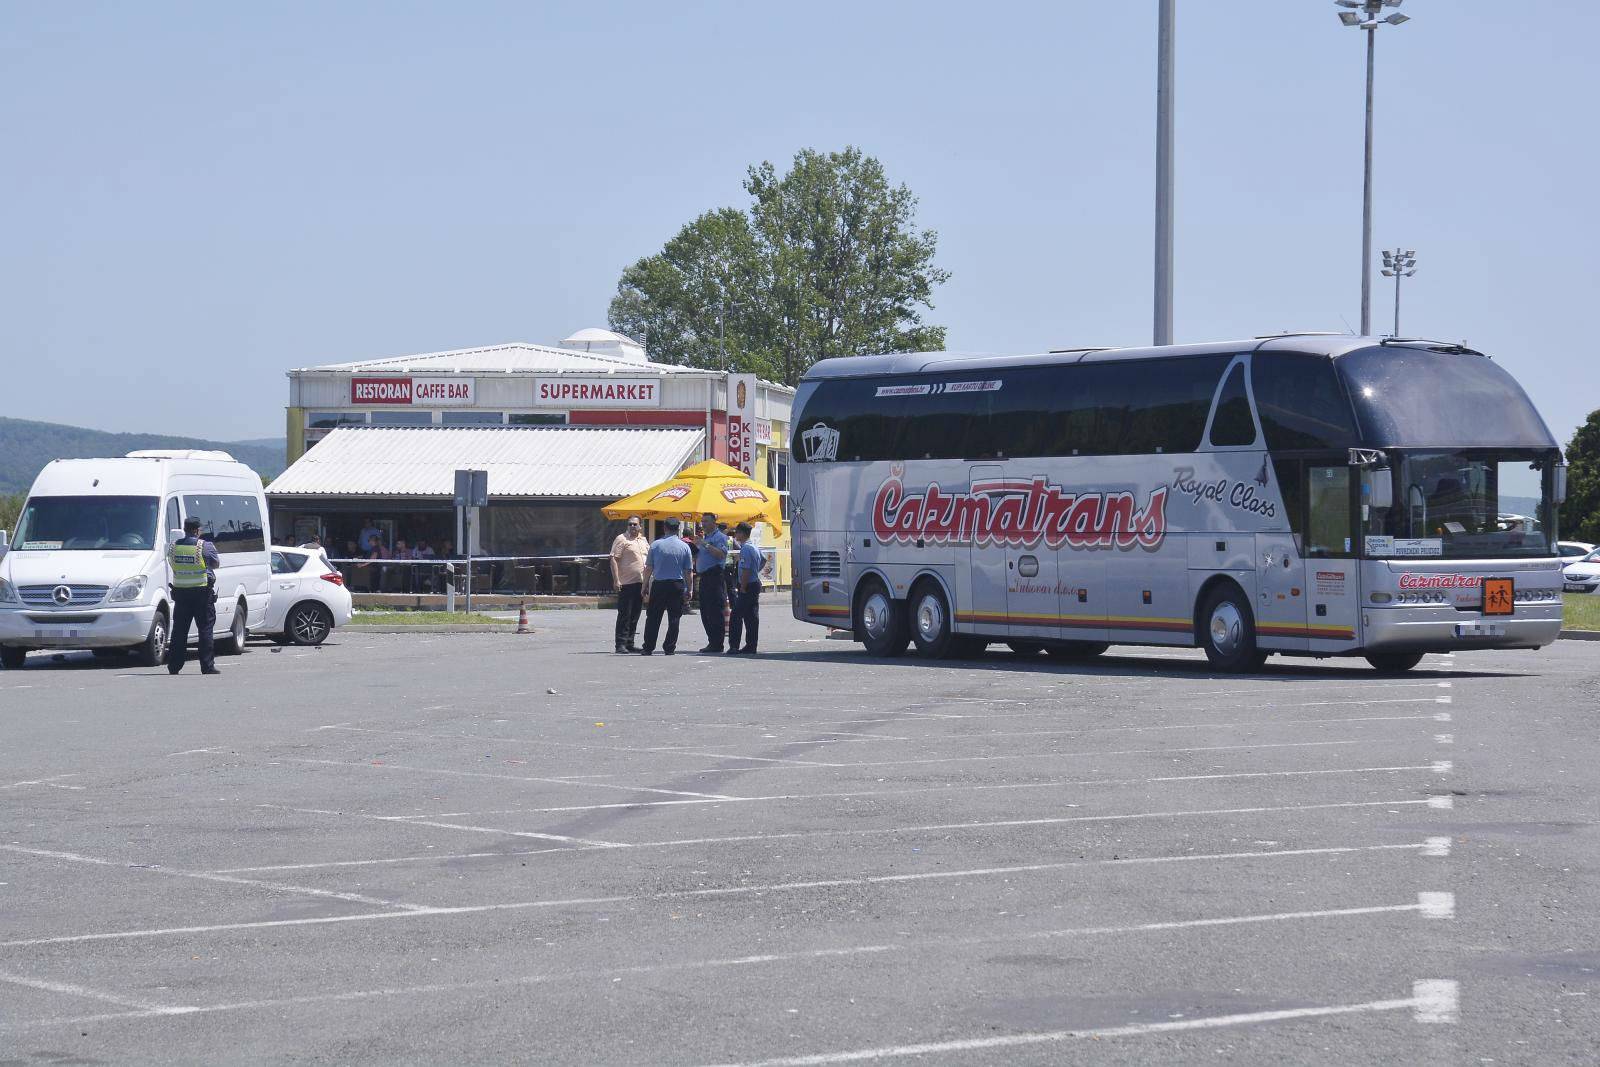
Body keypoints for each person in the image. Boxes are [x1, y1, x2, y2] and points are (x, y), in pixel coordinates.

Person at [167, 516, 221, 676]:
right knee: (205, 629)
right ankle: (207, 666)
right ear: (197, 530)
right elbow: (216, 564)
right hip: (201, 594)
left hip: (181, 594)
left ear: (184, 529)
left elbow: (172, 563)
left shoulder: (173, 547)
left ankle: (174, 667)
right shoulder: (204, 546)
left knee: (179, 631)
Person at [639, 516, 692, 656]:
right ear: (678, 529)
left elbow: (648, 568)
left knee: (653, 617)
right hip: (677, 584)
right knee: (674, 617)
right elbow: (688, 571)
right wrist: (690, 589)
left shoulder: (656, 545)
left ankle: (648, 646)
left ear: (665, 528)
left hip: (659, 584)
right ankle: (669, 647)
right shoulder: (685, 547)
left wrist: (644, 585)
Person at [691, 513, 729, 653]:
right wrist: (696, 546)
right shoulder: (705, 538)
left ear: (714, 522)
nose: (703, 524)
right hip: (704, 577)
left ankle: (717, 643)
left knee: (715, 610)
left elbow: (721, 555)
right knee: (705, 610)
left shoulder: (720, 537)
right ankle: (711, 641)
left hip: (715, 576)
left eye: (706, 521)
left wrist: (704, 544)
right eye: (702, 521)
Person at [610, 516, 648, 653]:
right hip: (626, 582)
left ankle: (630, 642)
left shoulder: (643, 540)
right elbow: (614, 559)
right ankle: (620, 644)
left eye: (635, 524)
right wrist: (616, 580)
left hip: (641, 582)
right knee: (624, 614)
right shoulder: (622, 539)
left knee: (635, 614)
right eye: (630, 524)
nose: (632, 526)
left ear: (640, 526)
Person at [726, 522, 762, 655]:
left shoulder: (746, 548)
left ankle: (734, 646)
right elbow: (763, 560)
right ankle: (751, 645)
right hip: (754, 582)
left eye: (737, 532)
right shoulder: (754, 547)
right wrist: (755, 572)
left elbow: (746, 569)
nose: (735, 535)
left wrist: (743, 586)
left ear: (741, 533)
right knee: (751, 616)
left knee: (736, 615)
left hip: (748, 585)